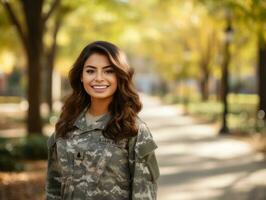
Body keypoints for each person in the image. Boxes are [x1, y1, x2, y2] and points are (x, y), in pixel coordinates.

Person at [45, 41, 160, 200]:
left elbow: (144, 195)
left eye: (108, 71)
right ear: (81, 76)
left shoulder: (133, 129)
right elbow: (53, 189)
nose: (99, 78)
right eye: (91, 71)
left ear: (120, 76)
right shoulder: (65, 126)